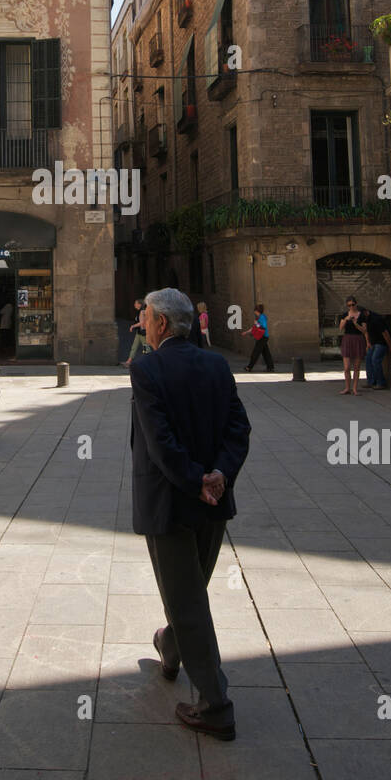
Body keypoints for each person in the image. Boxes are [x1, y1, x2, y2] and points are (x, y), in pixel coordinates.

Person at [130, 288, 251, 740]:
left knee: (188, 602)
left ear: (161, 323)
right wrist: (219, 474)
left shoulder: (146, 368)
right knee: (190, 593)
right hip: (214, 499)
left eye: (146, 317)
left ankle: (216, 705)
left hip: (170, 502)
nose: (142, 324)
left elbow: (159, 440)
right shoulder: (217, 365)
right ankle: (170, 646)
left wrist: (192, 479)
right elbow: (239, 428)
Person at [357, 307, 391, 389]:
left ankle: (381, 383)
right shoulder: (365, 318)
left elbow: (385, 333)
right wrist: (368, 343)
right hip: (373, 342)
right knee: (368, 359)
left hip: (381, 343)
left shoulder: (376, 319)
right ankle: (371, 381)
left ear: (366, 312)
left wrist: (390, 346)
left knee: (375, 360)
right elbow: (365, 331)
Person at [338, 297, 366, 395]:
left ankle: (354, 388)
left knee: (357, 367)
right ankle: (347, 388)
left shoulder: (361, 315)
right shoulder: (345, 315)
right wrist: (346, 319)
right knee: (346, 367)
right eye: (349, 305)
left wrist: (356, 323)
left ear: (356, 304)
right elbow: (340, 328)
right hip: (347, 339)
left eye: (353, 305)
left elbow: (364, 330)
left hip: (358, 339)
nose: (351, 307)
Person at [242, 304, 274, 372]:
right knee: (266, 353)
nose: (254, 312)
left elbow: (263, 326)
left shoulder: (262, 317)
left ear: (257, 311)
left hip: (262, 337)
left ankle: (249, 367)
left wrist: (256, 323)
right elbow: (254, 328)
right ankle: (270, 367)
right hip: (263, 337)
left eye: (255, 311)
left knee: (256, 352)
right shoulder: (260, 317)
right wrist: (246, 332)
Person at [123, 300, 148, 367]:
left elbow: (142, 323)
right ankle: (128, 362)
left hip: (142, 332)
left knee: (146, 348)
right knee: (134, 347)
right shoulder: (140, 311)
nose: (134, 304)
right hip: (139, 332)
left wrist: (133, 326)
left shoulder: (142, 312)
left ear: (139, 304)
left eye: (136, 303)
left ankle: (150, 362)